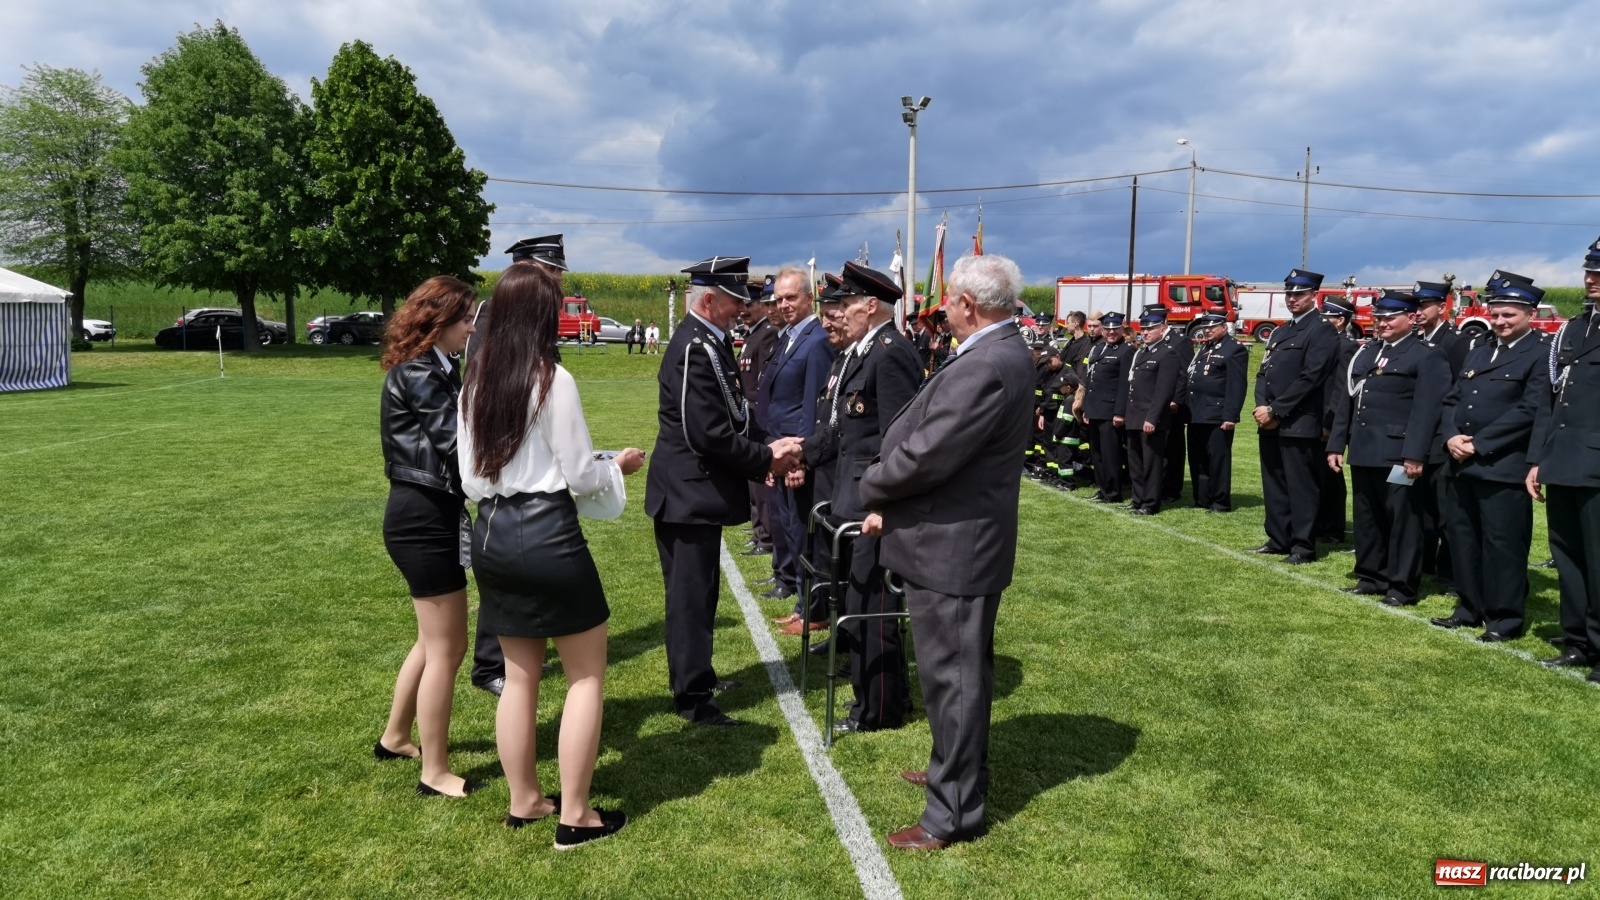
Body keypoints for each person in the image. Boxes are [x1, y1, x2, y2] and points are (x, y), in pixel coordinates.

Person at [459, 264, 642, 847]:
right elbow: (581, 475)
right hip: (546, 533)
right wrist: (619, 466)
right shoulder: (552, 378)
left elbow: (470, 478)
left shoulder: (474, 380)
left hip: (492, 531)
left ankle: (526, 800)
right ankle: (576, 815)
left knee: (519, 677)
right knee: (585, 676)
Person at [860, 254, 1035, 851]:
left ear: (967, 304)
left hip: (955, 544)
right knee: (959, 674)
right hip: (955, 538)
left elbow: (929, 454)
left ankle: (951, 811)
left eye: (949, 300)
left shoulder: (988, 362)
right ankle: (955, 772)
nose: (944, 310)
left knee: (952, 678)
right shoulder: (996, 351)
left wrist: (871, 483)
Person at [645, 255, 804, 725]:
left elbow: (735, 413)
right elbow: (708, 433)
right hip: (686, 495)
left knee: (702, 594)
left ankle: (699, 675)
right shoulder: (695, 347)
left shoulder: (707, 340)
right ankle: (692, 697)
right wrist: (765, 458)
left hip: (694, 494)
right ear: (710, 300)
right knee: (690, 599)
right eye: (736, 300)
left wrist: (767, 444)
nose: (743, 309)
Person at [375, 275, 478, 798]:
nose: (471, 328)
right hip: (423, 519)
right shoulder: (420, 372)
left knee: (432, 642)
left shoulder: (438, 367)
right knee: (448, 649)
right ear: (437, 320)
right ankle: (434, 771)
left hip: (427, 514)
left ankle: (396, 737)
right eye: (465, 319)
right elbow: (457, 447)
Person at [815, 262, 920, 732]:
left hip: (873, 506)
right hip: (854, 498)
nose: (840, 312)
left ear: (870, 305)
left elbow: (899, 440)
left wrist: (883, 504)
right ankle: (883, 698)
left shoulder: (889, 353)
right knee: (860, 605)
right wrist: (798, 454)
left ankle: (877, 711)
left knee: (871, 611)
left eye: (848, 304)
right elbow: (844, 432)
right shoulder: (865, 353)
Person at [465, 235, 570, 698]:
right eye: (552, 270)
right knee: (504, 573)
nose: (558, 280)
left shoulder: (531, 313)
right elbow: (486, 384)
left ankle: (515, 650)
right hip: (502, 461)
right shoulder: (496, 313)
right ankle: (490, 663)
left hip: (524, 452)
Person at [1431, 273, 1547, 641]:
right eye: (1495, 314)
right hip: (1460, 463)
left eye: (1508, 315)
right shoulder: (1479, 349)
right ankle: (1469, 608)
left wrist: (1478, 443)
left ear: (1530, 314)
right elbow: (1452, 398)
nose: (1499, 321)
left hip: (1502, 465)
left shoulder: (1540, 353)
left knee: (1503, 545)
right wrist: (1451, 436)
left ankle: (1503, 619)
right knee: (1463, 539)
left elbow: (1530, 409)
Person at [1326, 290, 1452, 606]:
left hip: (1399, 455)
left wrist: (1415, 454)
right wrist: (1336, 444)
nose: (1382, 323)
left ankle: (1401, 586)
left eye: (1389, 318)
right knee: (1367, 517)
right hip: (1365, 450)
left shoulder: (1426, 355)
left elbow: (1428, 410)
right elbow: (1348, 401)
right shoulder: (1367, 352)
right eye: (1379, 317)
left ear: (1411, 318)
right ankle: (1372, 576)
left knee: (1403, 520)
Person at [1527, 237, 1600, 680]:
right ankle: (1578, 642)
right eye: (1589, 271)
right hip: (1564, 460)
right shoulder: (1574, 329)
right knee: (1568, 556)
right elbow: (1551, 401)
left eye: (1599, 273)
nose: (1592, 279)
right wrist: (1539, 458)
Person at [758, 268, 838, 612]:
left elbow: (812, 405)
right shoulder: (789, 336)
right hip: (780, 448)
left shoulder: (816, 340)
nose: (783, 305)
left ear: (809, 297)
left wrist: (801, 457)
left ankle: (811, 608)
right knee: (789, 526)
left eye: (791, 297)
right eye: (779, 299)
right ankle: (801, 601)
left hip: (797, 452)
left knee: (803, 532)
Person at [1254, 269, 1340, 564]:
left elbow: (1311, 377)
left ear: (1314, 295)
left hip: (1299, 421)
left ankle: (1303, 546)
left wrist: (1275, 410)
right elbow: (1263, 373)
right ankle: (1279, 538)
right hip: (1270, 420)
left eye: (1299, 294)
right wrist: (1262, 406)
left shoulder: (1322, 329)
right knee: (1274, 483)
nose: (1292, 299)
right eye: (1289, 294)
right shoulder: (1280, 332)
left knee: (1301, 486)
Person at [1413, 280, 1464, 593]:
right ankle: (1425, 562)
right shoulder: (1417, 340)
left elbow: (1457, 392)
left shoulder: (1455, 342)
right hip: (1418, 438)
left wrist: (1450, 434)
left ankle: (1450, 572)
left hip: (1441, 439)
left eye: (1424, 306)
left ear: (1441, 307)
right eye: (1415, 306)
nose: (1418, 312)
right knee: (1421, 508)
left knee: (1446, 511)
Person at [1183, 312, 1248, 512]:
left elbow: (1237, 386)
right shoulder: (1205, 348)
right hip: (1196, 413)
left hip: (1217, 415)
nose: (1207, 330)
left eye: (1212, 327)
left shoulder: (1233, 349)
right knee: (1198, 459)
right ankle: (1202, 498)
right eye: (1205, 327)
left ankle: (1220, 501)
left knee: (1217, 461)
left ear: (1224, 327)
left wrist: (1230, 416)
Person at [1121, 308, 1181, 515]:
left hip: (1150, 417)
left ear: (1162, 329)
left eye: (1150, 329)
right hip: (1134, 415)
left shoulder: (1167, 353)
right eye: (1143, 329)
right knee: (1135, 462)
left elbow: (1164, 391)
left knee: (1151, 464)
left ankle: (1150, 503)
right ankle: (1138, 499)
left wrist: (1152, 418)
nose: (1145, 333)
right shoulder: (1141, 353)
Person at [739, 278, 781, 560]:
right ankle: (759, 530)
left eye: (750, 304)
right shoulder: (752, 335)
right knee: (752, 480)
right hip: (749, 413)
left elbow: (763, 382)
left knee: (760, 481)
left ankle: (765, 535)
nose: (744, 310)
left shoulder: (765, 335)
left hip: (758, 414)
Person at [1315, 297, 1362, 543]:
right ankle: (1319, 523)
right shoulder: (1324, 343)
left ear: (1340, 320)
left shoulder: (1347, 346)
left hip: (1329, 419)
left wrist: (1330, 424)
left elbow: (1342, 389)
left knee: (1330, 476)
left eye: (1326, 318)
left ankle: (1333, 528)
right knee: (1317, 473)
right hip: (1315, 416)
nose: (1322, 322)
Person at [1079, 311, 1133, 504]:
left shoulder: (1126, 351)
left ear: (1122, 329)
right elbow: (1090, 381)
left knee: (1111, 454)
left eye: (1115, 329)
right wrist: (1086, 408)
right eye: (1107, 329)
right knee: (1097, 454)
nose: (1111, 332)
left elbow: (1125, 385)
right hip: (1094, 409)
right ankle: (1103, 488)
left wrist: (1119, 412)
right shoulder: (1099, 348)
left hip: (1110, 412)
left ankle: (1113, 492)